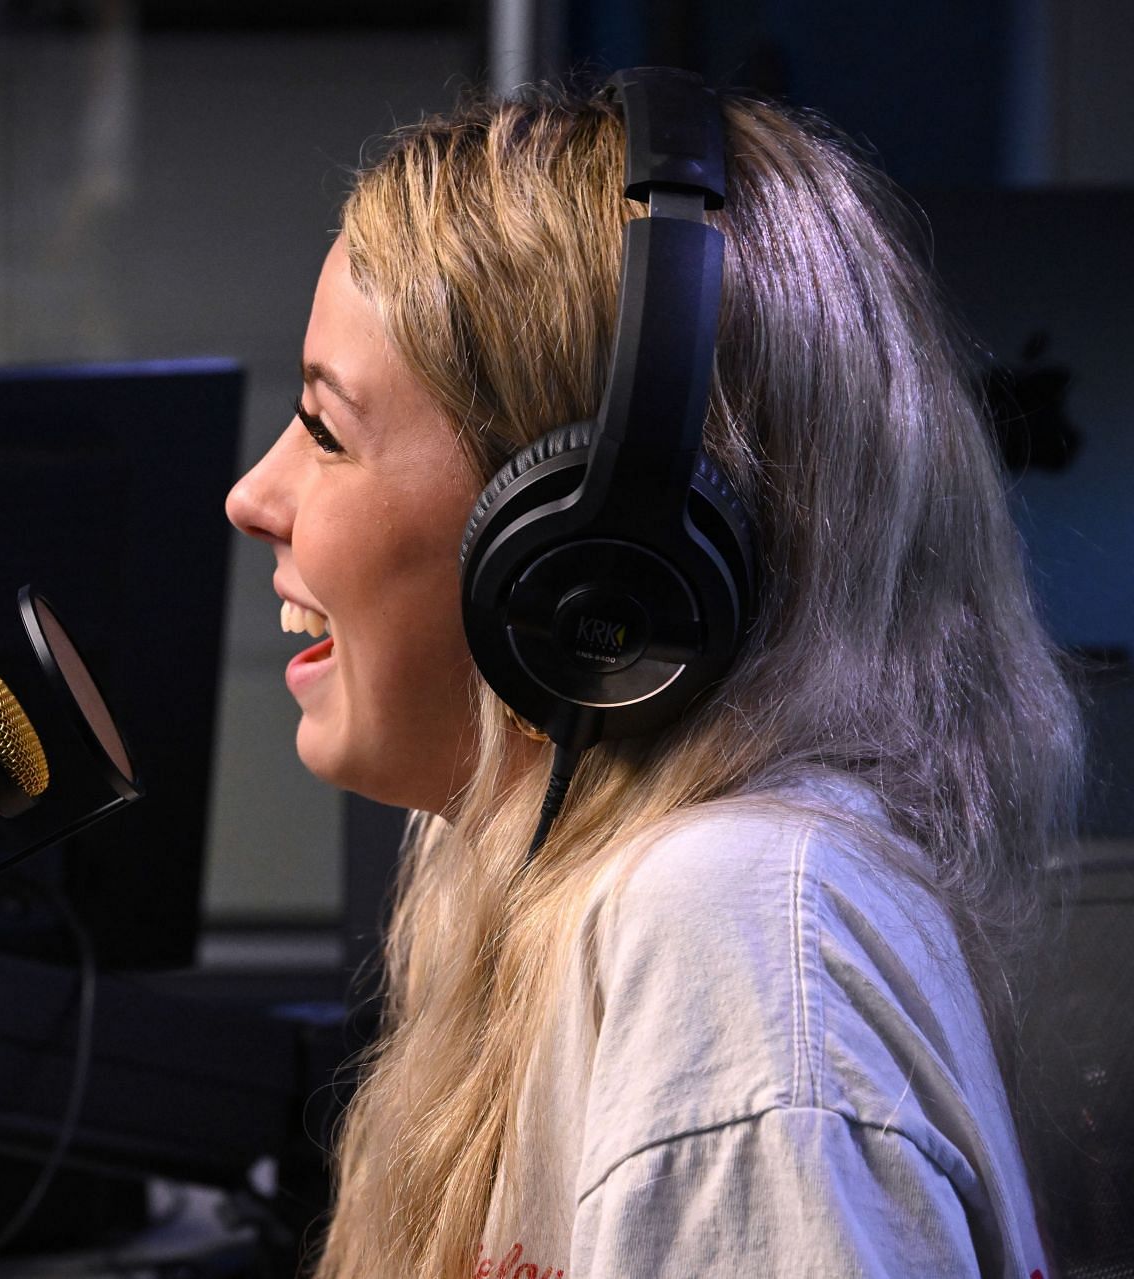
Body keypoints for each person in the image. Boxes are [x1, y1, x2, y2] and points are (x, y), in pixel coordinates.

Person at [225, 75, 1081, 1277]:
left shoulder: (729, 937)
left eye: (327, 428)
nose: (252, 497)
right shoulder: (564, 885)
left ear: (589, 550)